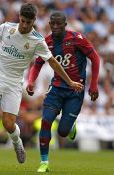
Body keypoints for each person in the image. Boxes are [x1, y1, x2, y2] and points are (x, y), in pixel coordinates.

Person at [0, 3, 83, 164]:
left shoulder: (37, 40)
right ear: (19, 18)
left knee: (8, 123)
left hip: (14, 83)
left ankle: (17, 142)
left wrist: (69, 82)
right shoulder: (7, 28)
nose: (25, 25)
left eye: (28, 22)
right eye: (22, 21)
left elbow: (53, 62)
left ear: (34, 20)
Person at [26, 11, 100, 172]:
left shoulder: (76, 39)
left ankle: (71, 125)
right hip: (57, 88)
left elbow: (95, 58)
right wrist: (31, 81)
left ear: (65, 25)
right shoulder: (46, 42)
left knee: (63, 132)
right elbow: (37, 63)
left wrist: (93, 85)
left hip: (76, 91)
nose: (56, 26)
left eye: (59, 24)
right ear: (50, 25)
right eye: (53, 24)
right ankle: (44, 162)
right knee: (46, 121)